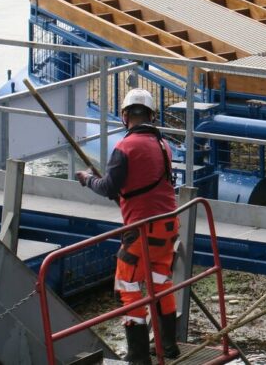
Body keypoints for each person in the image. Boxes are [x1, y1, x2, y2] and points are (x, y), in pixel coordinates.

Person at [76, 88, 180, 362]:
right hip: (168, 228)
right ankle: (168, 345)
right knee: (161, 283)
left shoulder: (124, 147)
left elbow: (109, 186)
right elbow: (137, 184)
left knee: (128, 287)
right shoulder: (163, 145)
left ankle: (138, 356)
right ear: (151, 116)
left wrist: (88, 180)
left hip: (142, 231)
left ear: (125, 116)